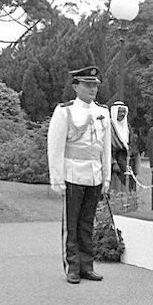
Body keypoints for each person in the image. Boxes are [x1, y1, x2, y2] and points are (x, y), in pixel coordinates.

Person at [47, 66, 111, 284]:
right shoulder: (65, 111)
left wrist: (107, 177)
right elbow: (55, 146)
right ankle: (72, 266)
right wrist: (56, 178)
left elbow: (106, 148)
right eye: (87, 84)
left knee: (87, 223)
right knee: (71, 224)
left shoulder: (103, 111)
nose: (92, 89)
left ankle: (87, 266)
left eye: (95, 85)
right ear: (76, 87)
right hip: (73, 173)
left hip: (94, 174)